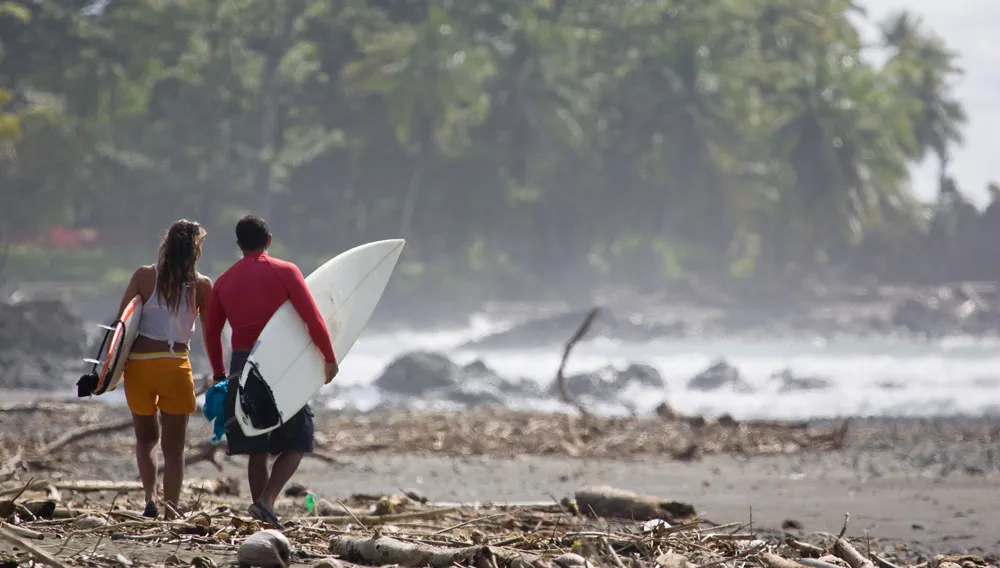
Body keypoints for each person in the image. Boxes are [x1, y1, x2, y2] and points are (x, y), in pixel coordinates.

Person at [204, 214, 338, 528]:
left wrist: (220, 373)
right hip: (278, 364)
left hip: (242, 366)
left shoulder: (223, 282)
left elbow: (211, 334)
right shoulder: (286, 271)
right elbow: (313, 319)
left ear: (239, 245)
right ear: (269, 240)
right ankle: (265, 502)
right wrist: (329, 357)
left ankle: (262, 511)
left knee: (256, 445)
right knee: (299, 440)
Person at [114, 219, 213, 519]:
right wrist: (222, 373)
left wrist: (108, 373)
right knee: (175, 448)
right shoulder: (203, 285)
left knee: (145, 439)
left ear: (166, 245)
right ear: (194, 250)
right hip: (176, 368)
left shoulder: (145, 276)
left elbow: (121, 324)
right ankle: (171, 511)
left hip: (140, 367)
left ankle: (149, 498)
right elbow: (211, 333)